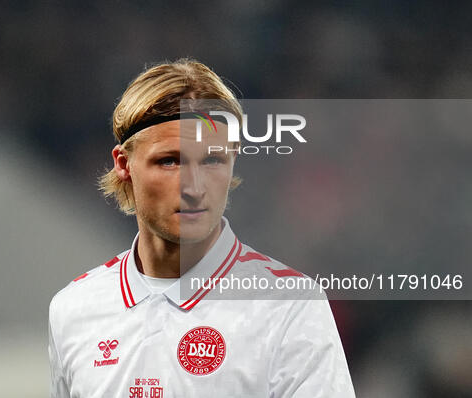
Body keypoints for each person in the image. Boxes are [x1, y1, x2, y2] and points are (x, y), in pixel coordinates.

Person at [48, 59, 355, 397]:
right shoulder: (74, 308)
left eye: (212, 160)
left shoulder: (290, 307)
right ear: (124, 165)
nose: (194, 187)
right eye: (170, 161)